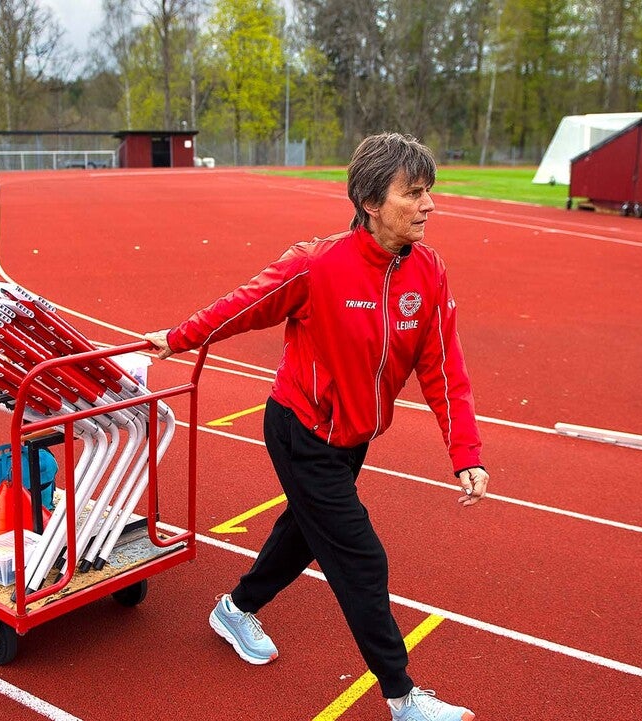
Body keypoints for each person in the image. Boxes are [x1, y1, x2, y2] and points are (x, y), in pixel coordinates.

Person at [145, 133, 489, 721]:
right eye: (414, 193)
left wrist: (466, 453)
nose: (429, 205)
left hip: (352, 438)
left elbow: (443, 366)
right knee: (360, 557)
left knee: (304, 530)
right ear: (371, 202)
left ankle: (236, 607)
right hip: (301, 430)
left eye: (430, 192)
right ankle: (403, 698)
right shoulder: (318, 264)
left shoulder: (428, 272)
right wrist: (176, 339)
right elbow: (242, 304)